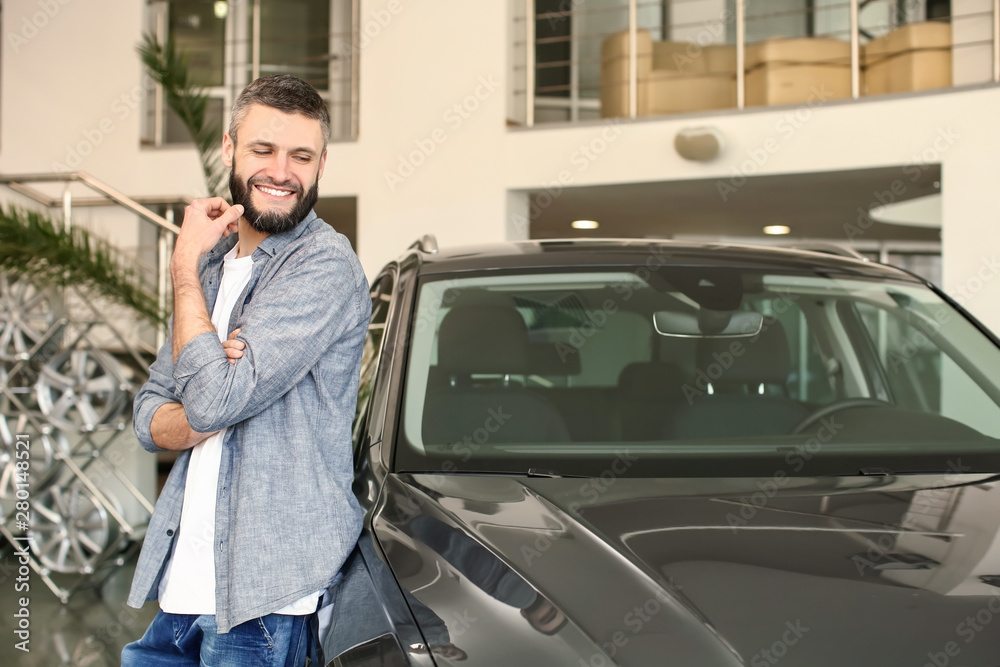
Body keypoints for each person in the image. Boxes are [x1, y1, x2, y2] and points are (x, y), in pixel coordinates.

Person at [121, 74, 370, 667]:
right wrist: (208, 408)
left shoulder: (324, 264)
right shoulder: (214, 266)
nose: (281, 171)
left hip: (265, 600)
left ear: (322, 164)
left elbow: (208, 402)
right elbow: (147, 411)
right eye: (263, 150)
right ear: (230, 149)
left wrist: (181, 269)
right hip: (181, 590)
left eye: (300, 156)